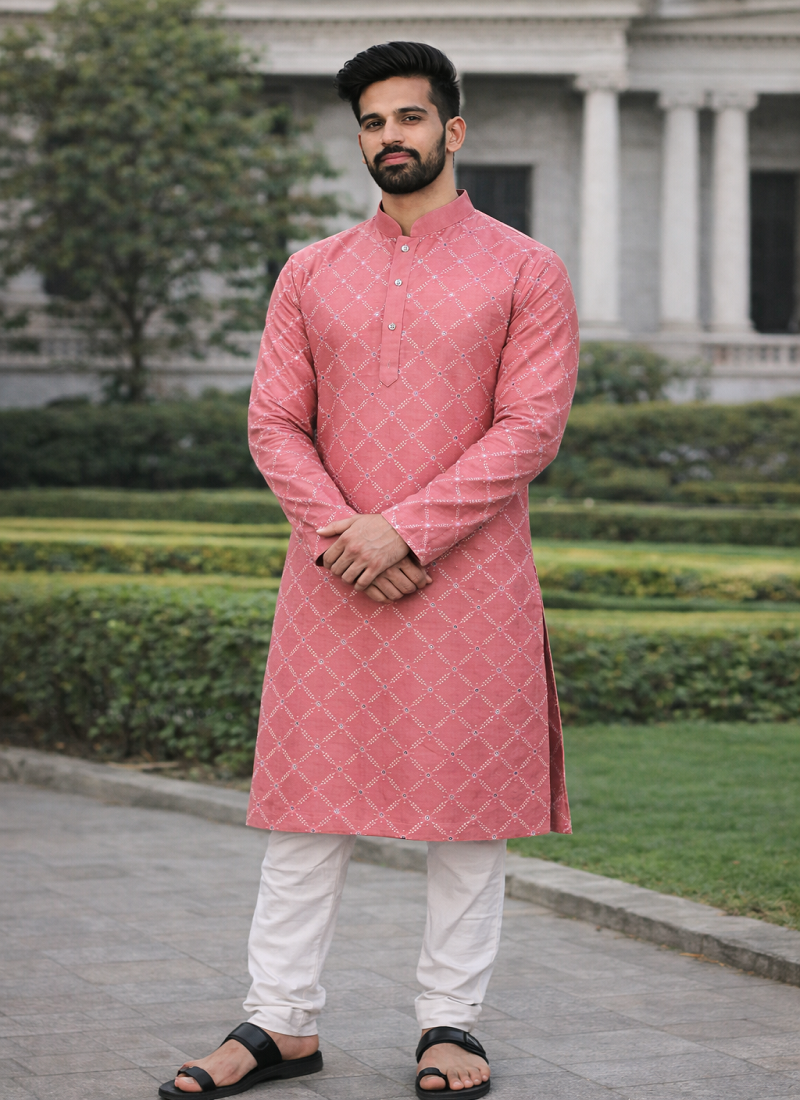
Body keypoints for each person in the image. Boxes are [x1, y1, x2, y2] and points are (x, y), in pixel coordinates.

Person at [160, 39, 578, 1100]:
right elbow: (273, 421)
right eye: (373, 122)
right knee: (307, 810)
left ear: (453, 129)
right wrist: (344, 533)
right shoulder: (311, 272)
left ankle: (451, 1024)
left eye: (409, 116)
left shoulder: (524, 268)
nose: (390, 136)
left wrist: (406, 531)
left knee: (468, 818)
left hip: (471, 579)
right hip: (330, 575)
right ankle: (280, 1020)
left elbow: (530, 428)